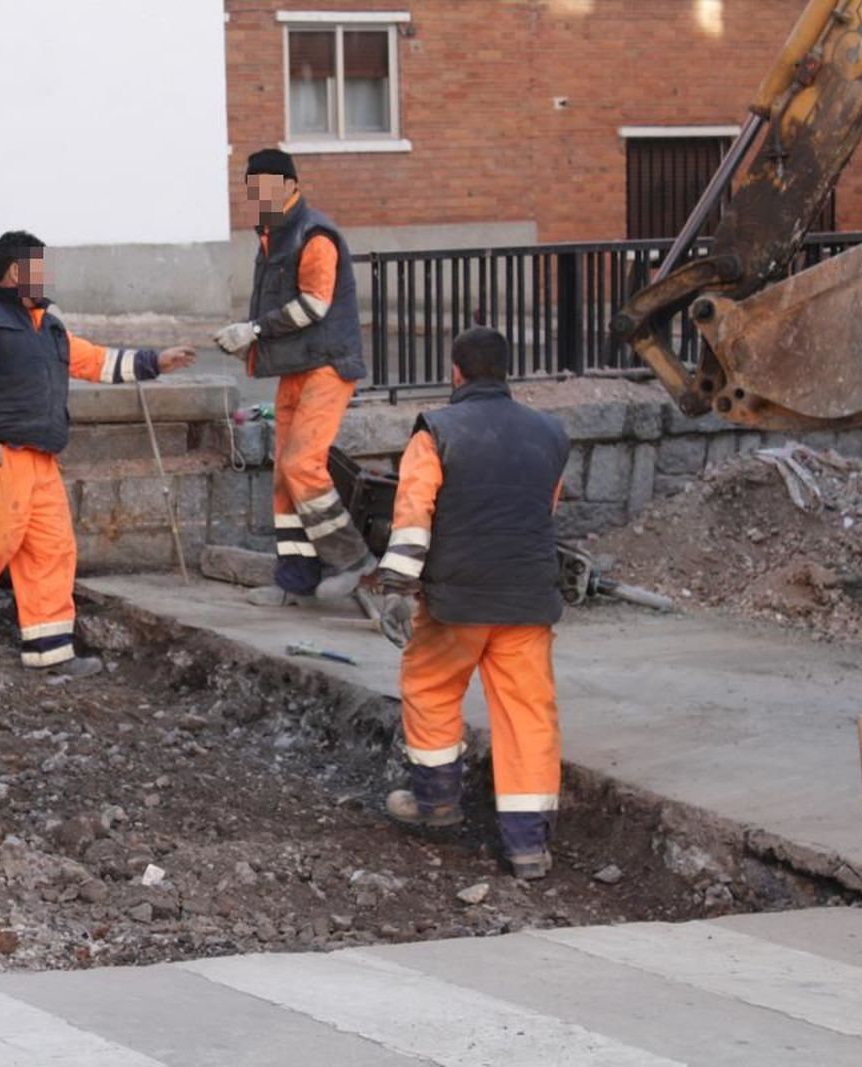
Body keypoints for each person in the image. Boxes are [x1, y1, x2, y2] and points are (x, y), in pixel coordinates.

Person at [0, 231, 195, 676]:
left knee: (52, 549)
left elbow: (96, 361)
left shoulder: (49, 327)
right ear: (15, 272)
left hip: (41, 459)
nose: (46, 277)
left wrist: (155, 362)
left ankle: (50, 650)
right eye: (39, 268)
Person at [368, 326, 570, 880]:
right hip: (528, 600)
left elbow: (413, 516)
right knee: (527, 716)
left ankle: (436, 805)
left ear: (455, 371)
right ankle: (528, 846)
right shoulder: (551, 433)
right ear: (507, 371)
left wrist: (396, 589)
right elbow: (542, 512)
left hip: (456, 601)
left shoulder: (436, 431)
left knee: (432, 690)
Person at [215, 148, 373, 606]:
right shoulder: (275, 233)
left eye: (264, 186)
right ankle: (295, 583)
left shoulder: (313, 234)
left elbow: (314, 305)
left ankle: (354, 560)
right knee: (285, 477)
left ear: (289, 185)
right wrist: (253, 338)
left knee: (302, 464)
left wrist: (254, 330)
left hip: (327, 365)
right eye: (252, 188)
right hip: (298, 366)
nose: (256, 196)